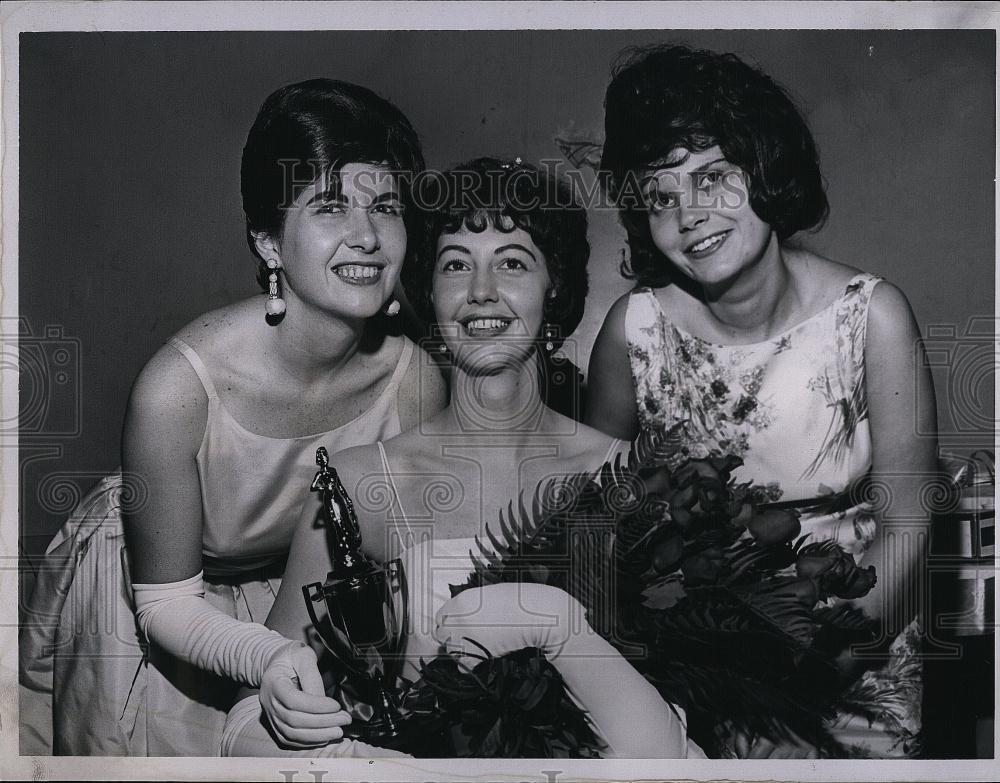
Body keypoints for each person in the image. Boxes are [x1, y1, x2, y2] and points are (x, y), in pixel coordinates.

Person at [19, 79, 446, 756]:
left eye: (386, 207)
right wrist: (266, 657)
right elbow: (165, 603)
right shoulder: (176, 388)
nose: (366, 235)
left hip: (295, 591)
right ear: (269, 241)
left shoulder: (414, 382)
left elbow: (394, 564)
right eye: (330, 206)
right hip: (156, 600)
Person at [221, 158, 701, 759]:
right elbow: (252, 705)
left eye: (512, 262)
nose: (481, 293)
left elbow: (681, 731)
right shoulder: (360, 482)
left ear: (554, 288)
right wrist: (323, 740)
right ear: (428, 290)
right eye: (455, 265)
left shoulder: (631, 479)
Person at [585, 44, 937, 758]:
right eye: (661, 195)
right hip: (691, 691)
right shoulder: (633, 331)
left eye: (713, 176)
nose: (690, 214)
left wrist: (823, 664)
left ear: (765, 168)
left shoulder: (873, 318)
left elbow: (910, 526)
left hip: (852, 673)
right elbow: (595, 522)